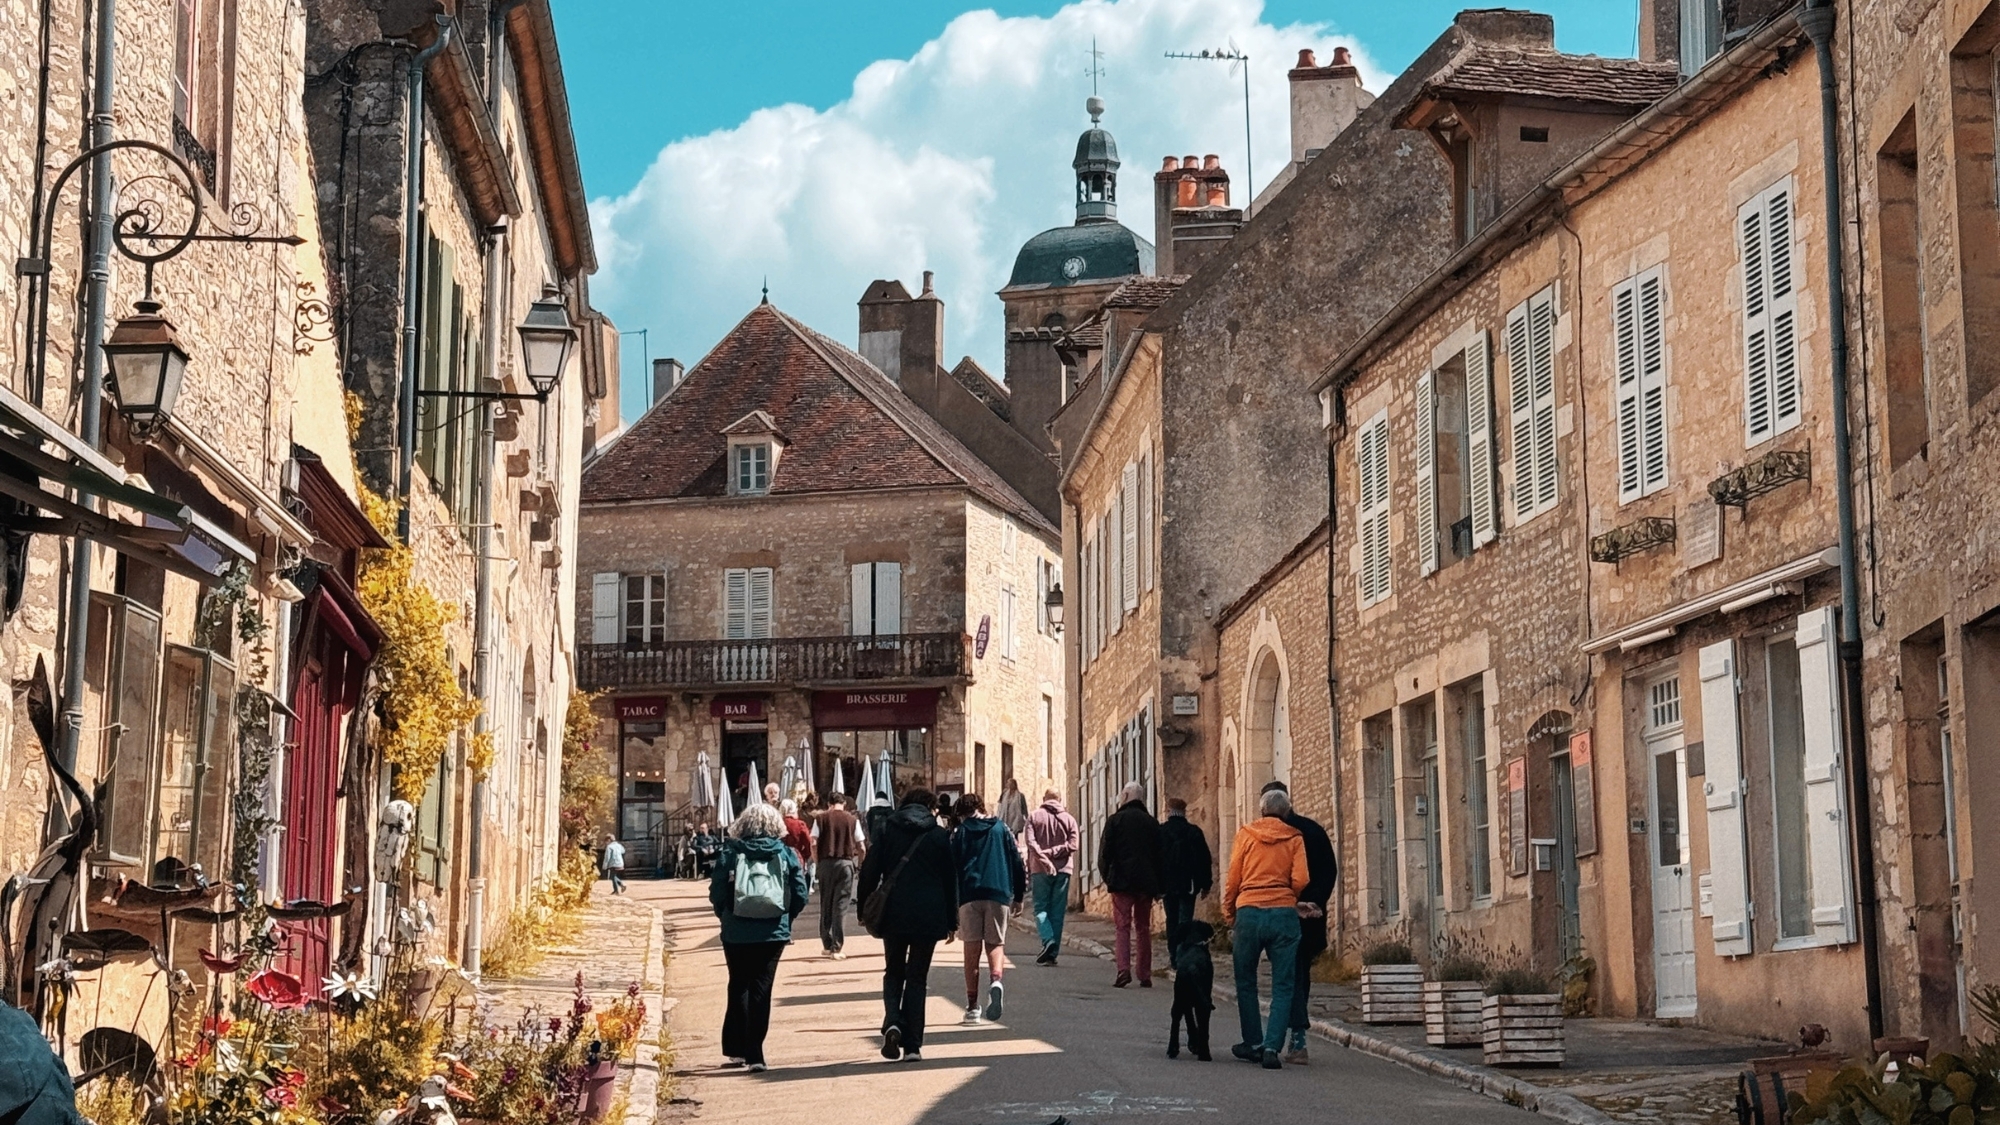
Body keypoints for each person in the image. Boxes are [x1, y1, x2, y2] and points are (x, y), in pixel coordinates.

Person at [707, 803, 810, 1072]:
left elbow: (716, 892)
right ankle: (756, 1055)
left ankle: (735, 1049)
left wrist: (724, 915)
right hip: (772, 930)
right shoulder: (786, 853)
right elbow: (800, 893)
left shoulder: (730, 852)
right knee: (762, 989)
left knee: (738, 984)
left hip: (736, 930)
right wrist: (787, 918)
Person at [858, 788, 958, 1063]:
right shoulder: (938, 835)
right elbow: (951, 880)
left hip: (894, 912)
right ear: (930, 807)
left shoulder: (887, 829)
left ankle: (893, 1021)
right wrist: (952, 921)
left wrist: (862, 907)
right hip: (929, 914)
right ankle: (913, 1044)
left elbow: (870, 870)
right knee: (917, 978)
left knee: (893, 972)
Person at [1222, 788, 1310, 1070]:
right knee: (1283, 983)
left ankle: (1253, 1042)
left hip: (1249, 910)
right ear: (1285, 812)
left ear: (1261, 810)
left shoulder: (1246, 834)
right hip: (1283, 912)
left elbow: (1233, 876)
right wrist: (1287, 895)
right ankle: (1273, 1046)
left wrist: (1229, 911)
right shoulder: (1294, 837)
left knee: (1245, 979)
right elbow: (1301, 878)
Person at [1261, 780, 1338, 1065]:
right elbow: (1329, 871)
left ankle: (1284, 1040)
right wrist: (1315, 902)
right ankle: (1294, 1038)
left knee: (1286, 979)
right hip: (1308, 916)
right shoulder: (1314, 830)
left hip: (1278, 913)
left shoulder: (1269, 836)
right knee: (1298, 976)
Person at [950, 793, 1026, 1024]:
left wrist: (950, 902)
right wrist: (1019, 895)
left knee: (971, 951)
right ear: (982, 807)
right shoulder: (1001, 829)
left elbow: (953, 866)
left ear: (962, 814)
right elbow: (1016, 862)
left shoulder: (961, 833)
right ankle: (996, 981)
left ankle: (973, 1006)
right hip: (998, 892)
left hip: (969, 895)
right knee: (995, 943)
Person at [1097, 782, 1165, 988]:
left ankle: (1123, 969)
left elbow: (1104, 854)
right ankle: (1144, 973)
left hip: (1121, 881)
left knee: (1122, 927)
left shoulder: (1115, 821)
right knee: (1144, 927)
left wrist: (1108, 878)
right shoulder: (1152, 824)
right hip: (1145, 883)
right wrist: (1158, 885)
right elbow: (1160, 857)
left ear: (1125, 796)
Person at [1023, 788, 1078, 965]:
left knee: (1040, 908)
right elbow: (1073, 844)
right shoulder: (1069, 819)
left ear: (1044, 798)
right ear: (1060, 799)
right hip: (1063, 870)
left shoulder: (1034, 817)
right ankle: (1052, 953)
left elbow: (1030, 843)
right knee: (1057, 911)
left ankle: (1048, 940)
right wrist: (1056, 852)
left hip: (1040, 869)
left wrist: (1044, 857)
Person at [1159, 797, 1213, 954]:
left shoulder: (1161, 831)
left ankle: (1173, 955)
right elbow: (1204, 859)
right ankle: (1183, 953)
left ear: (1168, 810)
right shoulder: (1194, 832)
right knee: (1185, 921)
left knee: (1171, 920)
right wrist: (1205, 884)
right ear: (1184, 812)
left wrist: (1156, 886)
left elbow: (1156, 859)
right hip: (1188, 884)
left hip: (1167, 884)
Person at [816, 793, 864, 959]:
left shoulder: (820, 818)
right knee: (841, 906)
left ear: (829, 803)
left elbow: (813, 842)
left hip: (825, 864)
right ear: (843, 803)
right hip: (845, 863)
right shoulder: (852, 820)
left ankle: (826, 943)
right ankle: (837, 947)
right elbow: (862, 846)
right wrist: (859, 865)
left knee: (825, 903)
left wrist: (817, 861)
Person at [780, 799, 813, 866]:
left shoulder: (777, 824)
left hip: (780, 859)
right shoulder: (799, 824)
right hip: (796, 858)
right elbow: (808, 843)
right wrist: (804, 855)